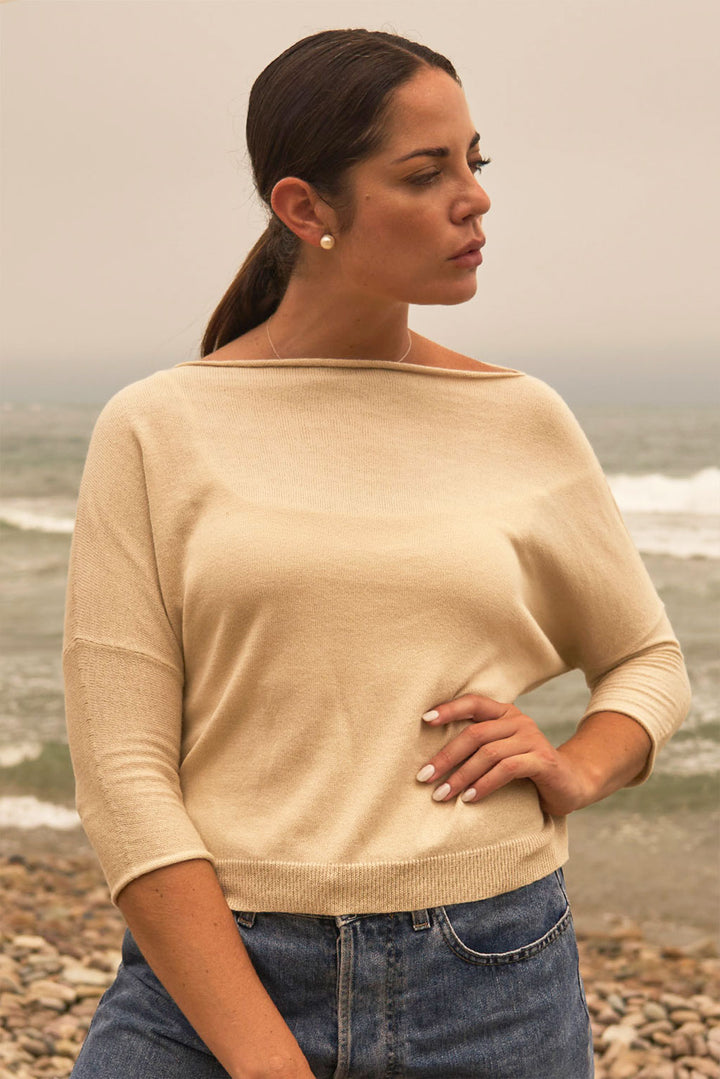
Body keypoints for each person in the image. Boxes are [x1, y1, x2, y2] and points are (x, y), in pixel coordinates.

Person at [63, 28, 691, 1079]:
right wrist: (265, 1058)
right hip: (212, 986)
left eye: (474, 162)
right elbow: (125, 778)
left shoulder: (521, 416)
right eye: (425, 172)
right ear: (304, 207)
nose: (475, 198)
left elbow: (648, 661)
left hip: (494, 980)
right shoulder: (157, 426)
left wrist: (576, 765)